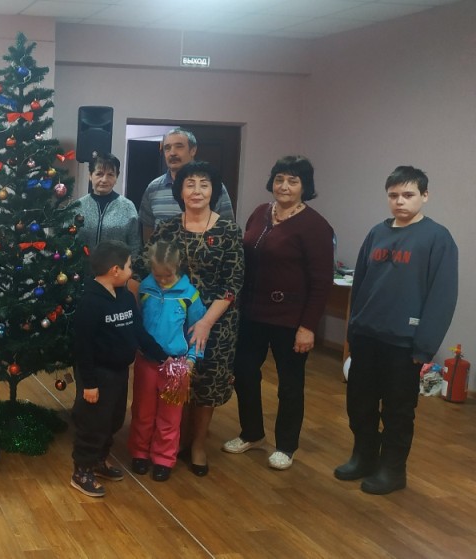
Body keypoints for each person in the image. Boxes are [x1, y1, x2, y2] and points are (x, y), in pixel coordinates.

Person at [335, 166, 457, 495]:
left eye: (408, 195)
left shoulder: (437, 238)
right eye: (393, 195)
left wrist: (424, 346)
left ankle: (392, 469)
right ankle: (364, 457)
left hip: (404, 344)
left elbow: (443, 296)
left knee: (397, 410)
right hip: (367, 336)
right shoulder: (377, 233)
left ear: (424, 196)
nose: (400, 201)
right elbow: (360, 283)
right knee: (359, 403)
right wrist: (353, 329)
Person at [224, 156, 334, 470]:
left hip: (291, 319)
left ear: (304, 186)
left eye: (293, 181)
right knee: (244, 372)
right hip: (252, 313)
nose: (284, 186)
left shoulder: (316, 226)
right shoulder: (260, 212)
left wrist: (308, 327)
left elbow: (322, 282)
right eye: (279, 179)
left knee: (290, 384)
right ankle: (252, 433)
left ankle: (286, 445)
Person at [139, 160, 244, 476]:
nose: (197, 190)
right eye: (190, 184)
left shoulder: (228, 230)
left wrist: (206, 322)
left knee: (205, 383)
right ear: (180, 191)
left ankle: (197, 443)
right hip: (171, 320)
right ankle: (173, 441)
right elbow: (147, 267)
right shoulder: (168, 228)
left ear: (214, 191)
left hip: (215, 320)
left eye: (204, 184)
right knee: (171, 378)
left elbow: (233, 282)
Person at [70, 240, 166, 497]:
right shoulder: (90, 303)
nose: (131, 271)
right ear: (115, 270)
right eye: (129, 266)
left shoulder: (124, 297)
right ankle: (82, 471)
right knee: (93, 424)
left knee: (112, 420)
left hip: (119, 372)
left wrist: (161, 355)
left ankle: (99, 460)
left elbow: (137, 331)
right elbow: (82, 347)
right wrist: (89, 384)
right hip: (97, 375)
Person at [128, 241, 206, 482]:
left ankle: (164, 458)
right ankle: (140, 453)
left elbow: (198, 332)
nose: (162, 280)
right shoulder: (145, 288)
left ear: (177, 266)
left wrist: (192, 359)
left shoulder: (190, 295)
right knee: (142, 410)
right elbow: (138, 322)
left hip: (177, 366)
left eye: (167, 275)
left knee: (170, 416)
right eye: (157, 274)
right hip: (147, 362)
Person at [139, 128, 234, 242]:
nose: (172, 153)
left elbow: (227, 229)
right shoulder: (153, 188)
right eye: (167, 148)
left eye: (179, 146)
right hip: (163, 253)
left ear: (193, 150)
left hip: (205, 251)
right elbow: (147, 229)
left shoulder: (213, 187)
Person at [73, 152, 142, 266]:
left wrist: (131, 271)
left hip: (116, 273)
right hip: (80, 272)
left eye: (110, 174)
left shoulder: (127, 207)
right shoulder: (78, 206)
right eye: (99, 174)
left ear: (116, 177)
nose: (104, 180)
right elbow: (66, 240)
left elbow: (135, 246)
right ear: (90, 175)